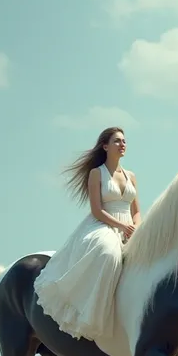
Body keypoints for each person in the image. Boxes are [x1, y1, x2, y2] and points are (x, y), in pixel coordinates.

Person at [34, 126, 141, 342]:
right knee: (108, 253)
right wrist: (120, 227)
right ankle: (92, 314)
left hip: (130, 228)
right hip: (103, 224)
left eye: (124, 141)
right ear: (105, 146)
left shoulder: (131, 176)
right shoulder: (96, 173)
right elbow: (96, 210)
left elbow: (136, 211)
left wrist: (136, 229)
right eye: (117, 141)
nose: (122, 145)